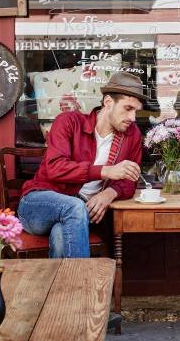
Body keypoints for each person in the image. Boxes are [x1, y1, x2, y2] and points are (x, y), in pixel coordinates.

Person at [17, 71, 146, 258]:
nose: (133, 117)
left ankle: (66, 287)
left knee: (62, 235)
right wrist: (106, 171)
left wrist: (109, 194)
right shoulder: (69, 122)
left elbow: (129, 180)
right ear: (108, 102)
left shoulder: (131, 134)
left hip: (79, 215)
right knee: (74, 206)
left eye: (136, 111)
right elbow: (55, 168)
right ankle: (85, 284)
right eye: (128, 108)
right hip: (37, 203)